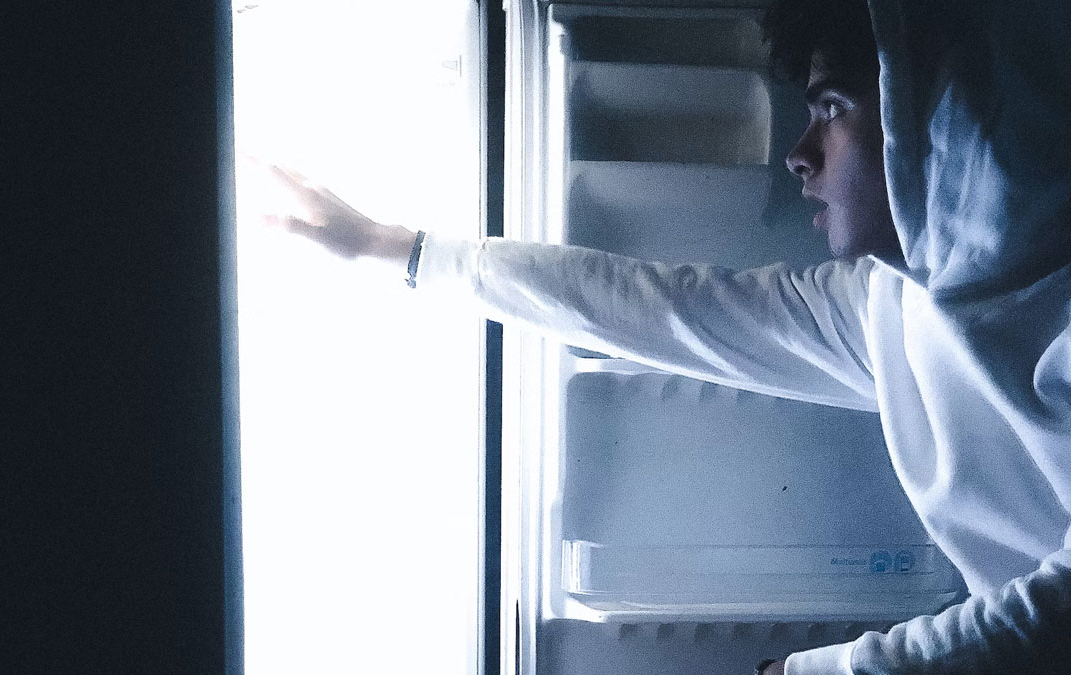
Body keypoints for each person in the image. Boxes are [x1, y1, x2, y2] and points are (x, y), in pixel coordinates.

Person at [261, 0, 1071, 672]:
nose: (799, 155)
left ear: (936, 110)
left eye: (831, 109)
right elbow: (666, 309)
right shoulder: (888, 307)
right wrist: (404, 252)